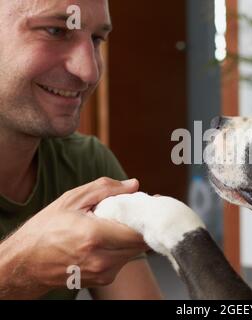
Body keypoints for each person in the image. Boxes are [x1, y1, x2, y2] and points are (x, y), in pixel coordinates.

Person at [0, 0, 163, 299]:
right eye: (55, 30)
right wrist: (17, 269)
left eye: (97, 39)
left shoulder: (85, 163)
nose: (89, 72)